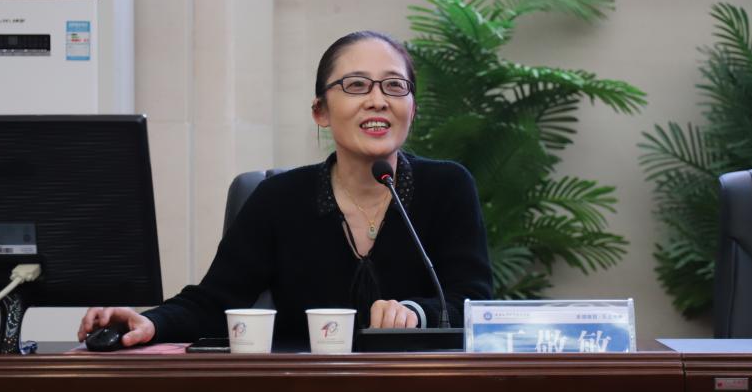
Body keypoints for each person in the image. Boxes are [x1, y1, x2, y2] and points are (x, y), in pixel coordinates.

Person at [78, 30, 492, 348]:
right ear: (320, 111)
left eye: (394, 86)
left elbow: (473, 301)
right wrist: (150, 322)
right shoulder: (279, 199)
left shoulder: (447, 186)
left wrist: (416, 312)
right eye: (356, 85)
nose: (378, 100)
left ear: (412, 110)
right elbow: (215, 302)